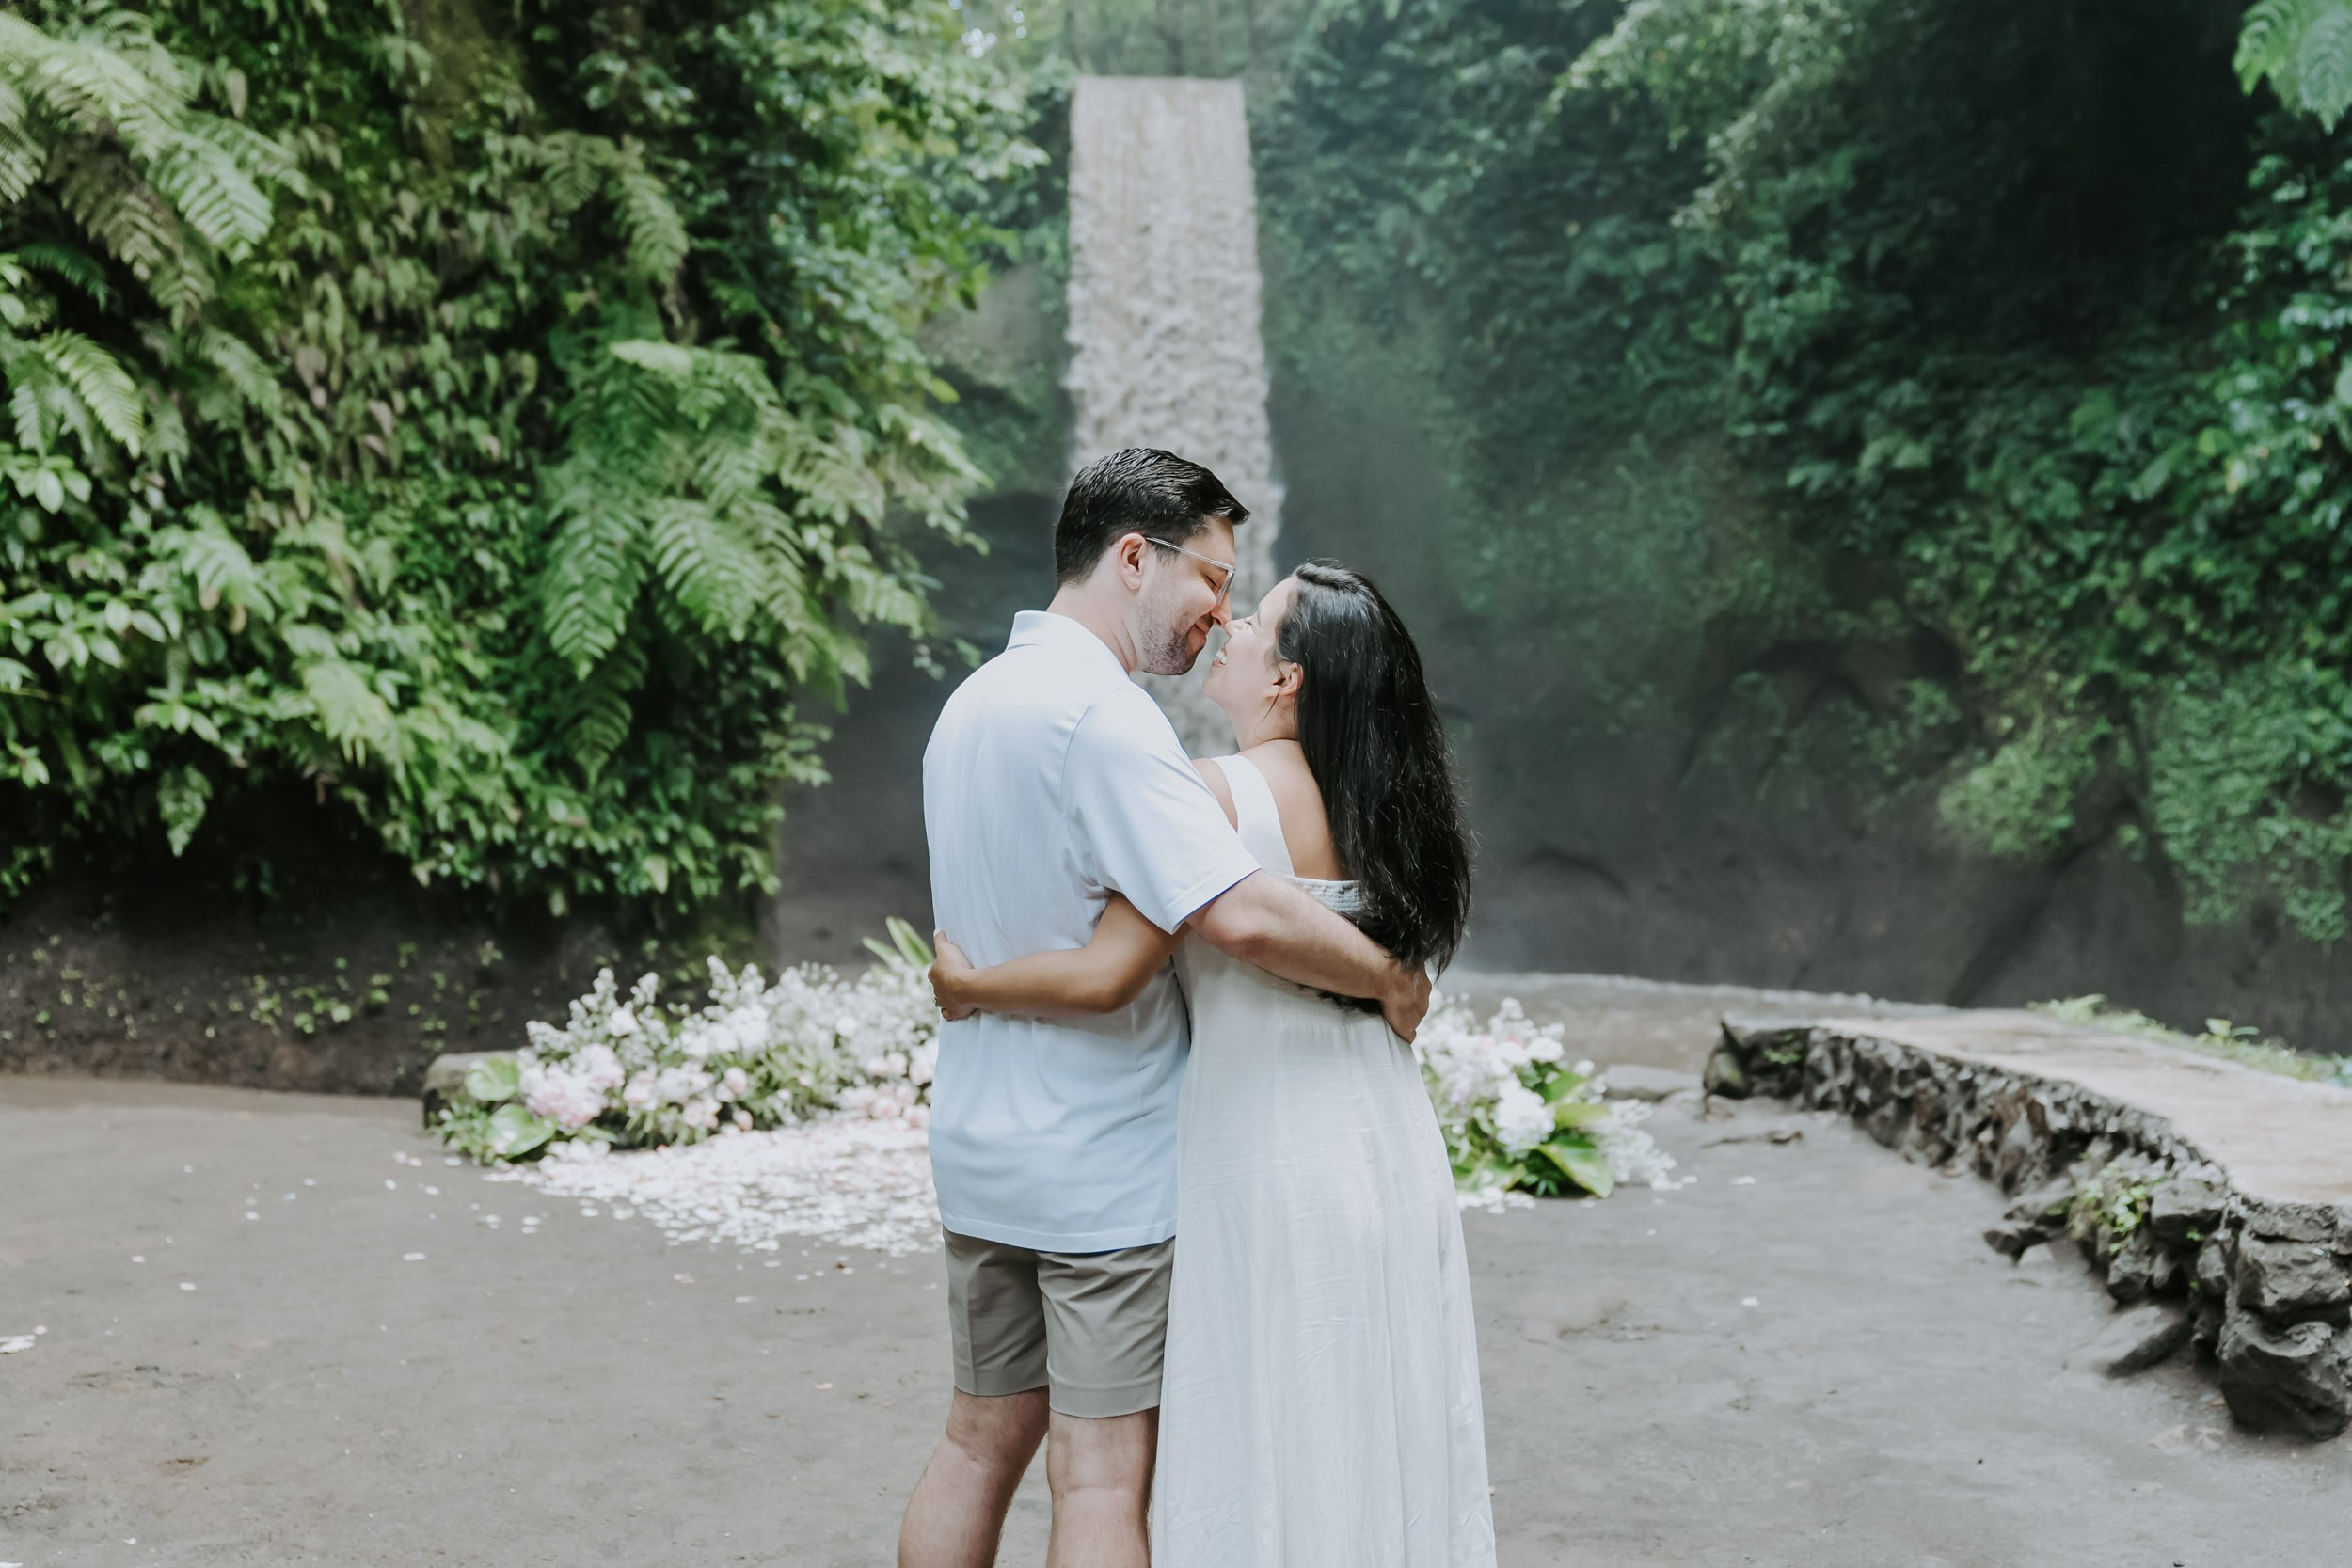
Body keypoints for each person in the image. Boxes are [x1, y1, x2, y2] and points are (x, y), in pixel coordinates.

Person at [899, 450, 1434, 1568]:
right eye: (1212, 579)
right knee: (1095, 1478)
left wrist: (965, 988)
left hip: (980, 1146)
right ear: (1134, 557)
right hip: (1099, 1169)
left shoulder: (969, 705)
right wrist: (1387, 975)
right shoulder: (1110, 720)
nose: (1218, 614)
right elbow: (1233, 914)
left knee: (972, 1442)